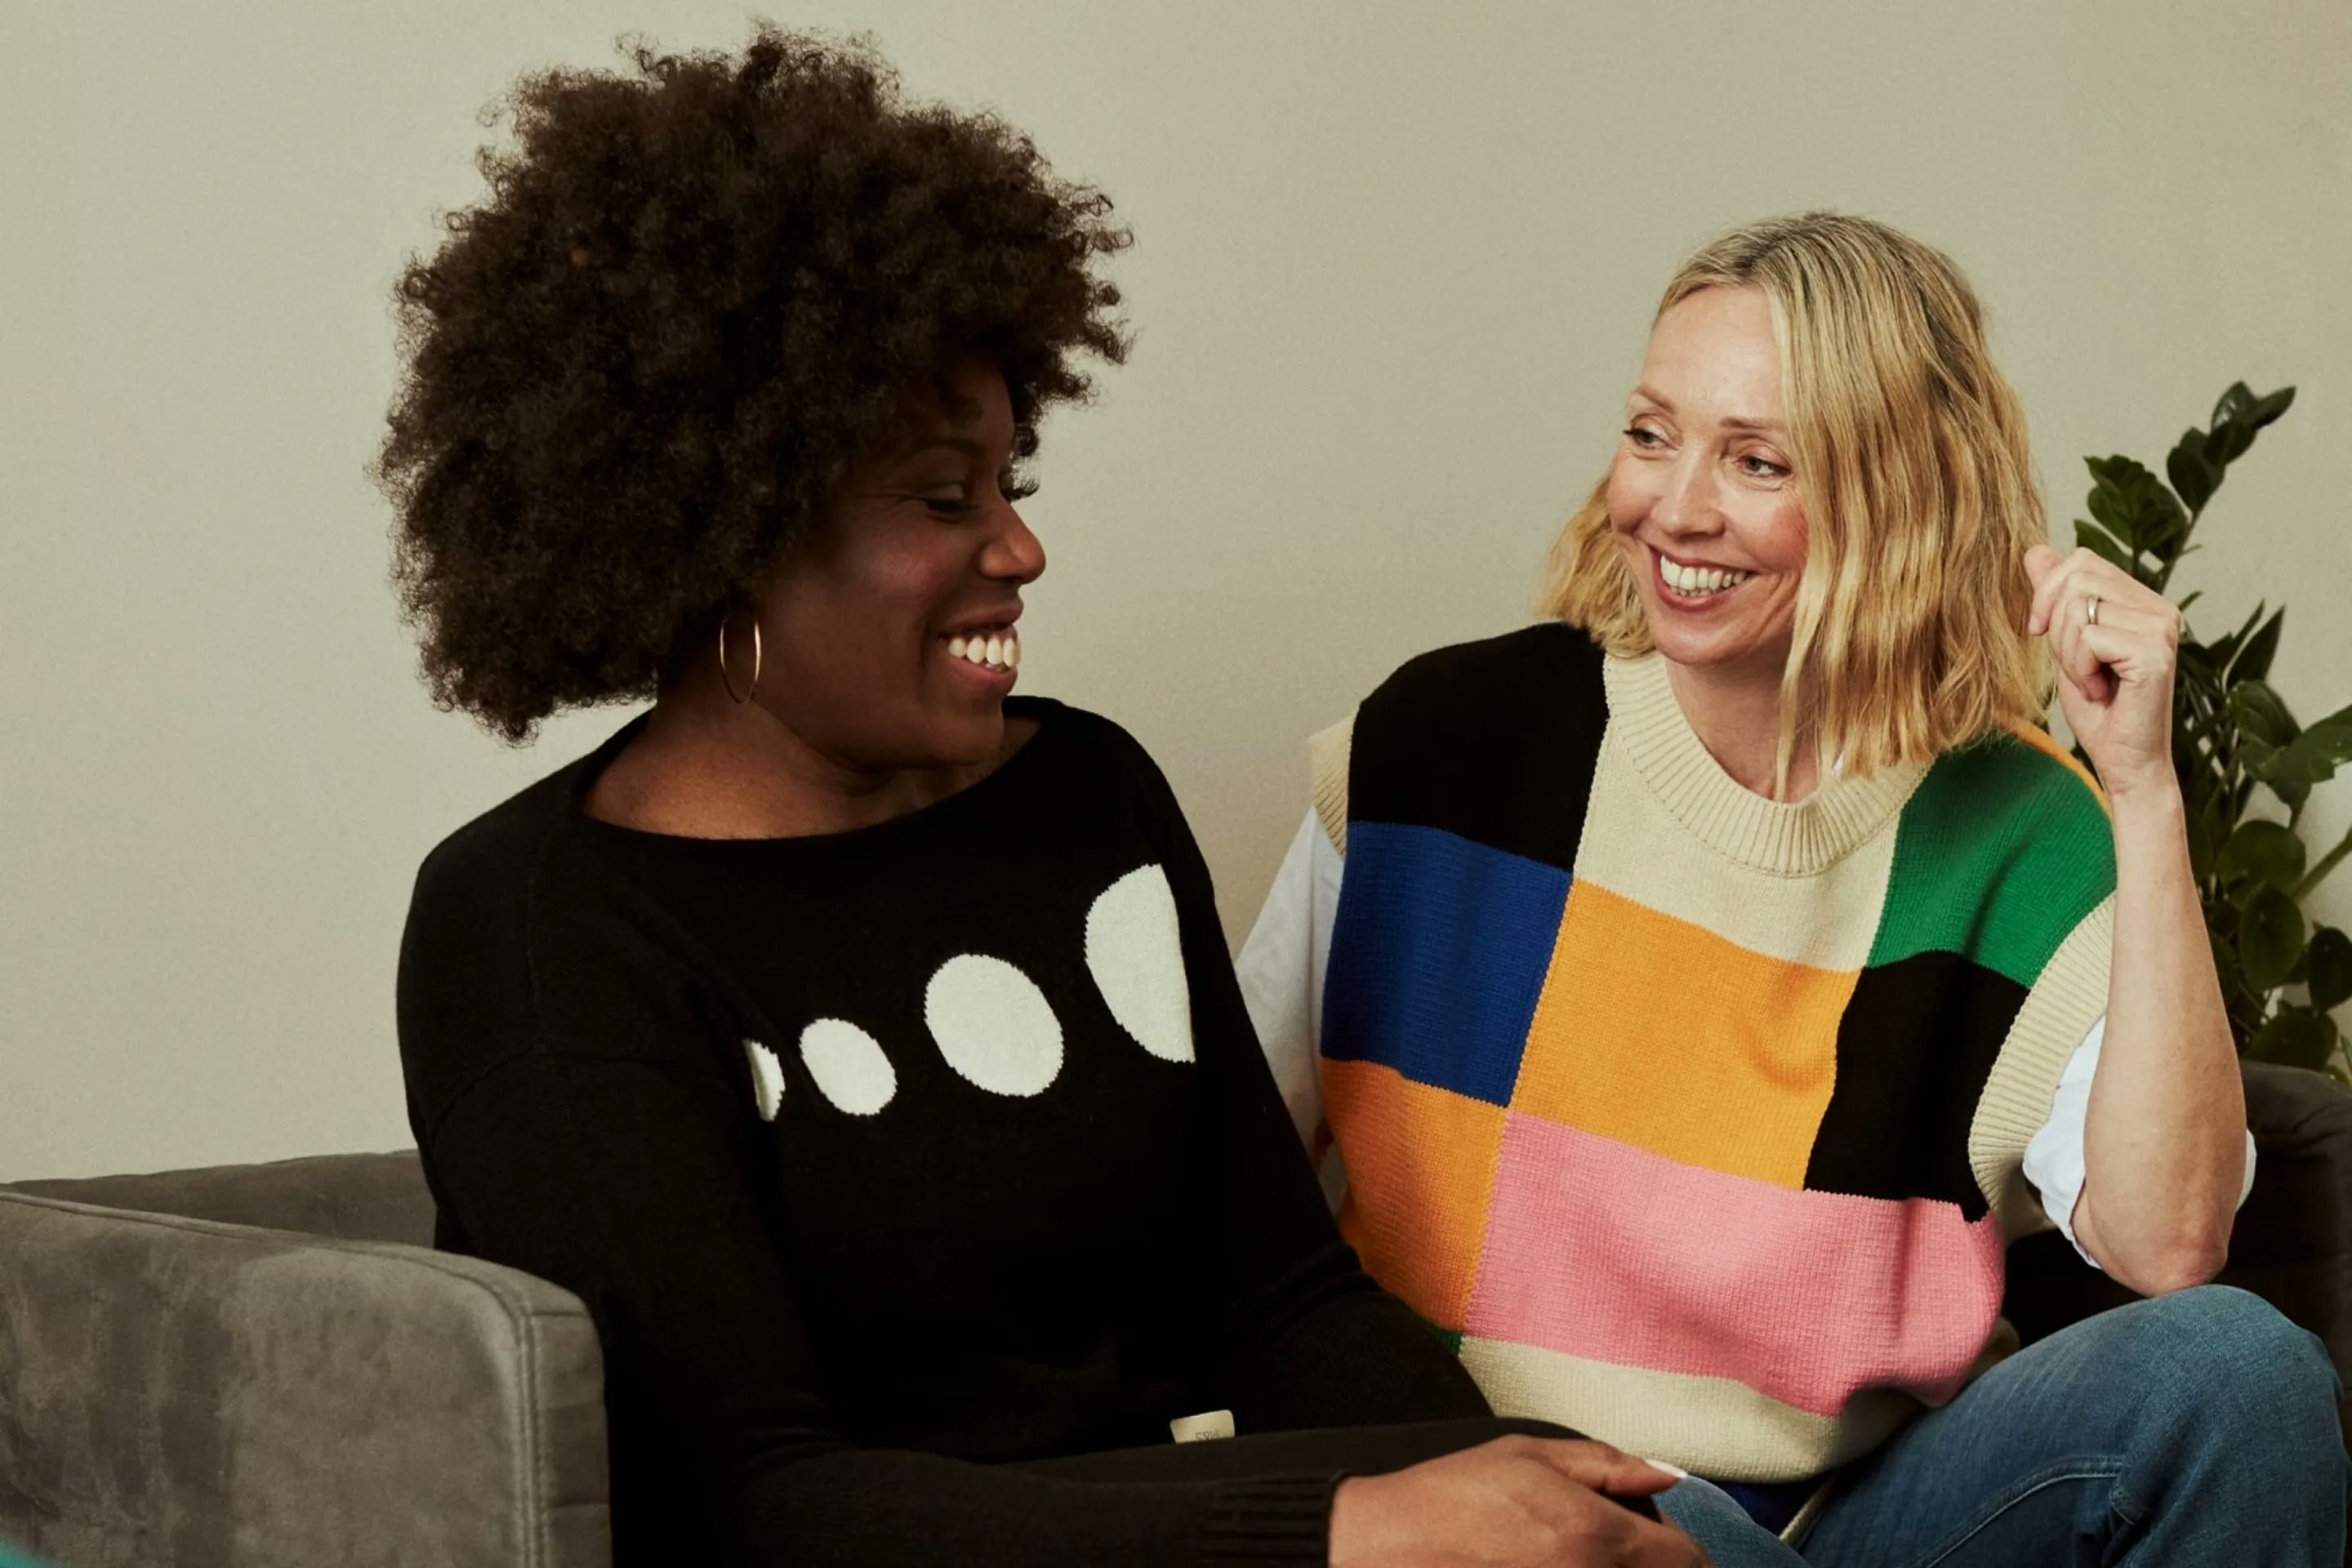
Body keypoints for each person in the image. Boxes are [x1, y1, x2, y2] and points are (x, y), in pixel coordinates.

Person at [379, 27, 1741, 1568]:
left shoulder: (1084, 791)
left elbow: (1272, 1298)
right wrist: (1346, 1528)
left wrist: (1525, 1493)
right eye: (944, 497)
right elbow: (754, 1505)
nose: (1018, 550)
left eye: (1014, 483)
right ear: (730, 533)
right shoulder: (540, 930)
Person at [1239, 212, 2348, 1562]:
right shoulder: (1439, 749)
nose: (1673, 507)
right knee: (1652, 1521)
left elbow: (2170, 1244)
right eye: (1653, 434)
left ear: (1901, 497)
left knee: (2235, 1371)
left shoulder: (2023, 829)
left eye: (1757, 460)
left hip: (1858, 1520)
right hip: (1503, 1498)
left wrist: (2144, 795)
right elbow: (1216, 1178)